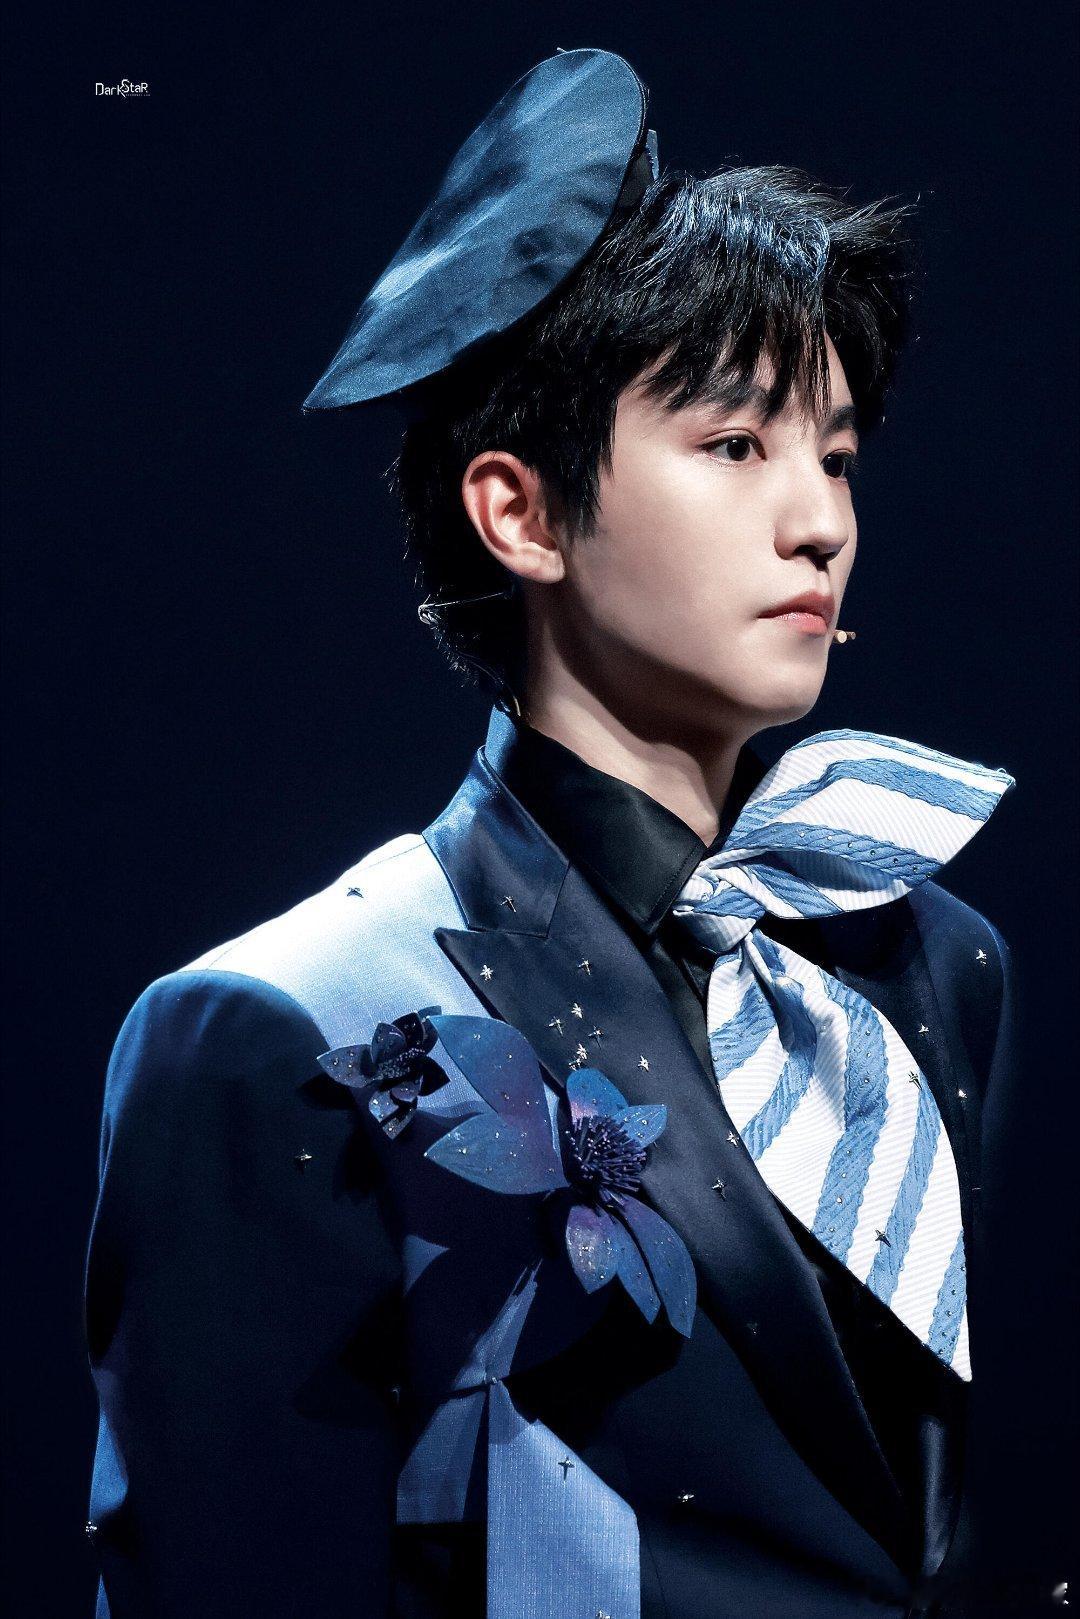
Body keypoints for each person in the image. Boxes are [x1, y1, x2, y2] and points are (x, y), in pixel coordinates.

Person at [84, 48, 1023, 1619]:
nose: (821, 522)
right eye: (737, 446)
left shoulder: (930, 959)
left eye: (838, 454)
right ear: (517, 512)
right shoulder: (282, 1026)